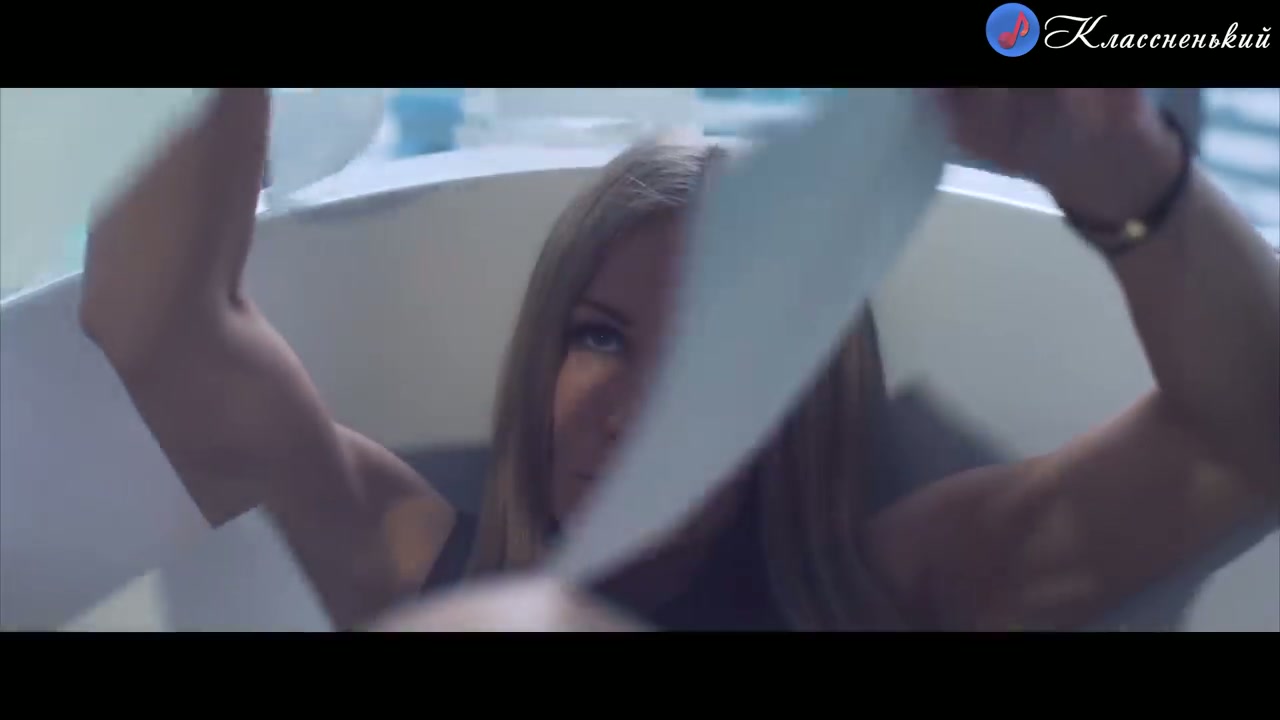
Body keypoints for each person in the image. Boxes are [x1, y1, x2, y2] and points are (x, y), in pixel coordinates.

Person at [80, 88, 1279, 631]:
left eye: (714, 351)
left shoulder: (895, 590)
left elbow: (1248, 440)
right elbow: (156, 328)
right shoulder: (410, 560)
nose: (630, 406)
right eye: (599, 336)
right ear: (538, 359)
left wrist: (1129, 182)